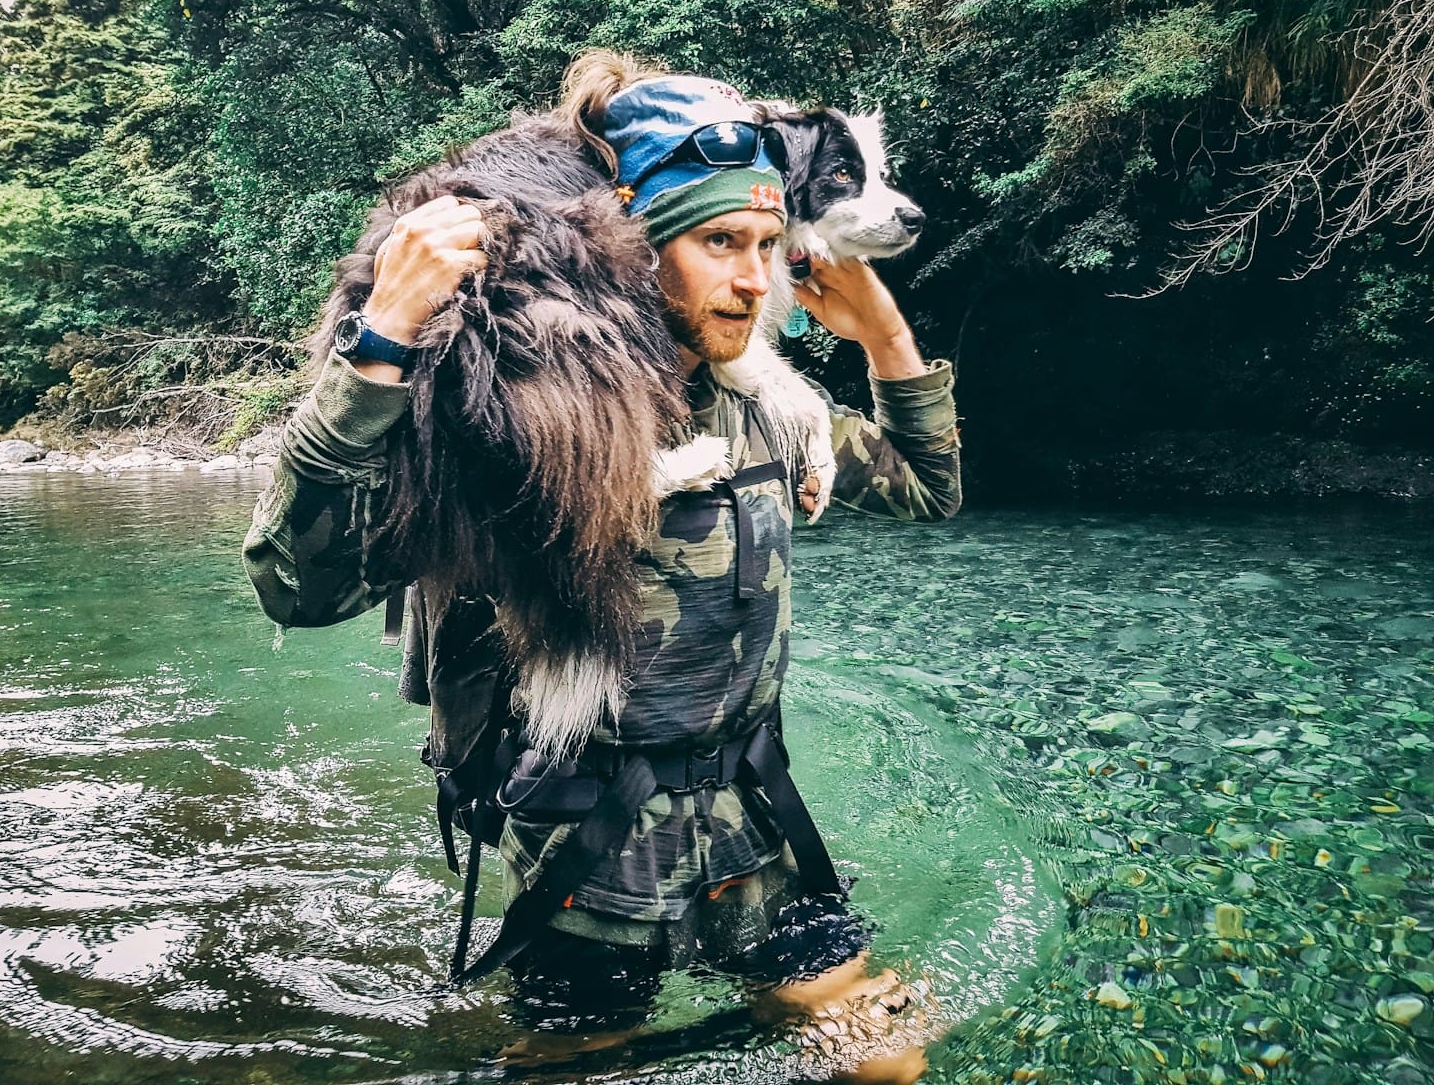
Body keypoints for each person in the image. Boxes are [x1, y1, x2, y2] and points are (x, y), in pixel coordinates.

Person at [242, 53, 960, 1083]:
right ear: (637, 251)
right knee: (576, 1064)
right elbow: (296, 591)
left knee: (884, 1065)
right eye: (719, 242)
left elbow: (925, 488)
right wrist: (381, 348)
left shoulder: (762, 406)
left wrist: (879, 324)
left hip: (754, 819)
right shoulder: (523, 425)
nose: (755, 278)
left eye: (766, 244)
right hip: (586, 845)